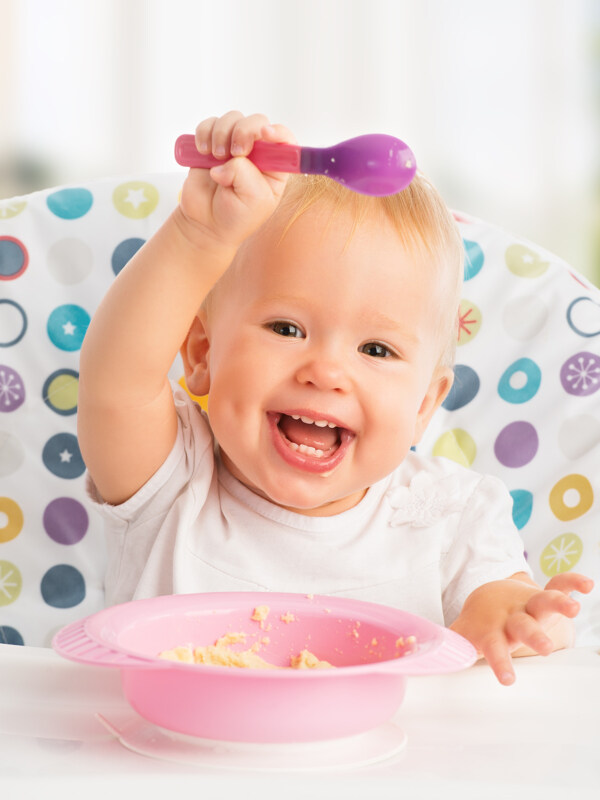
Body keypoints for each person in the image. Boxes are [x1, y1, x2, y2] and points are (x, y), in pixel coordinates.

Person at [78, 111, 593, 685]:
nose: (326, 372)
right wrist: (198, 235)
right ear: (200, 353)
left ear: (425, 404)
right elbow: (117, 383)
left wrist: (513, 620)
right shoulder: (170, 481)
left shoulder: (454, 517)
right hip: (158, 763)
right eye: (287, 329)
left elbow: (508, 608)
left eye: (376, 349)